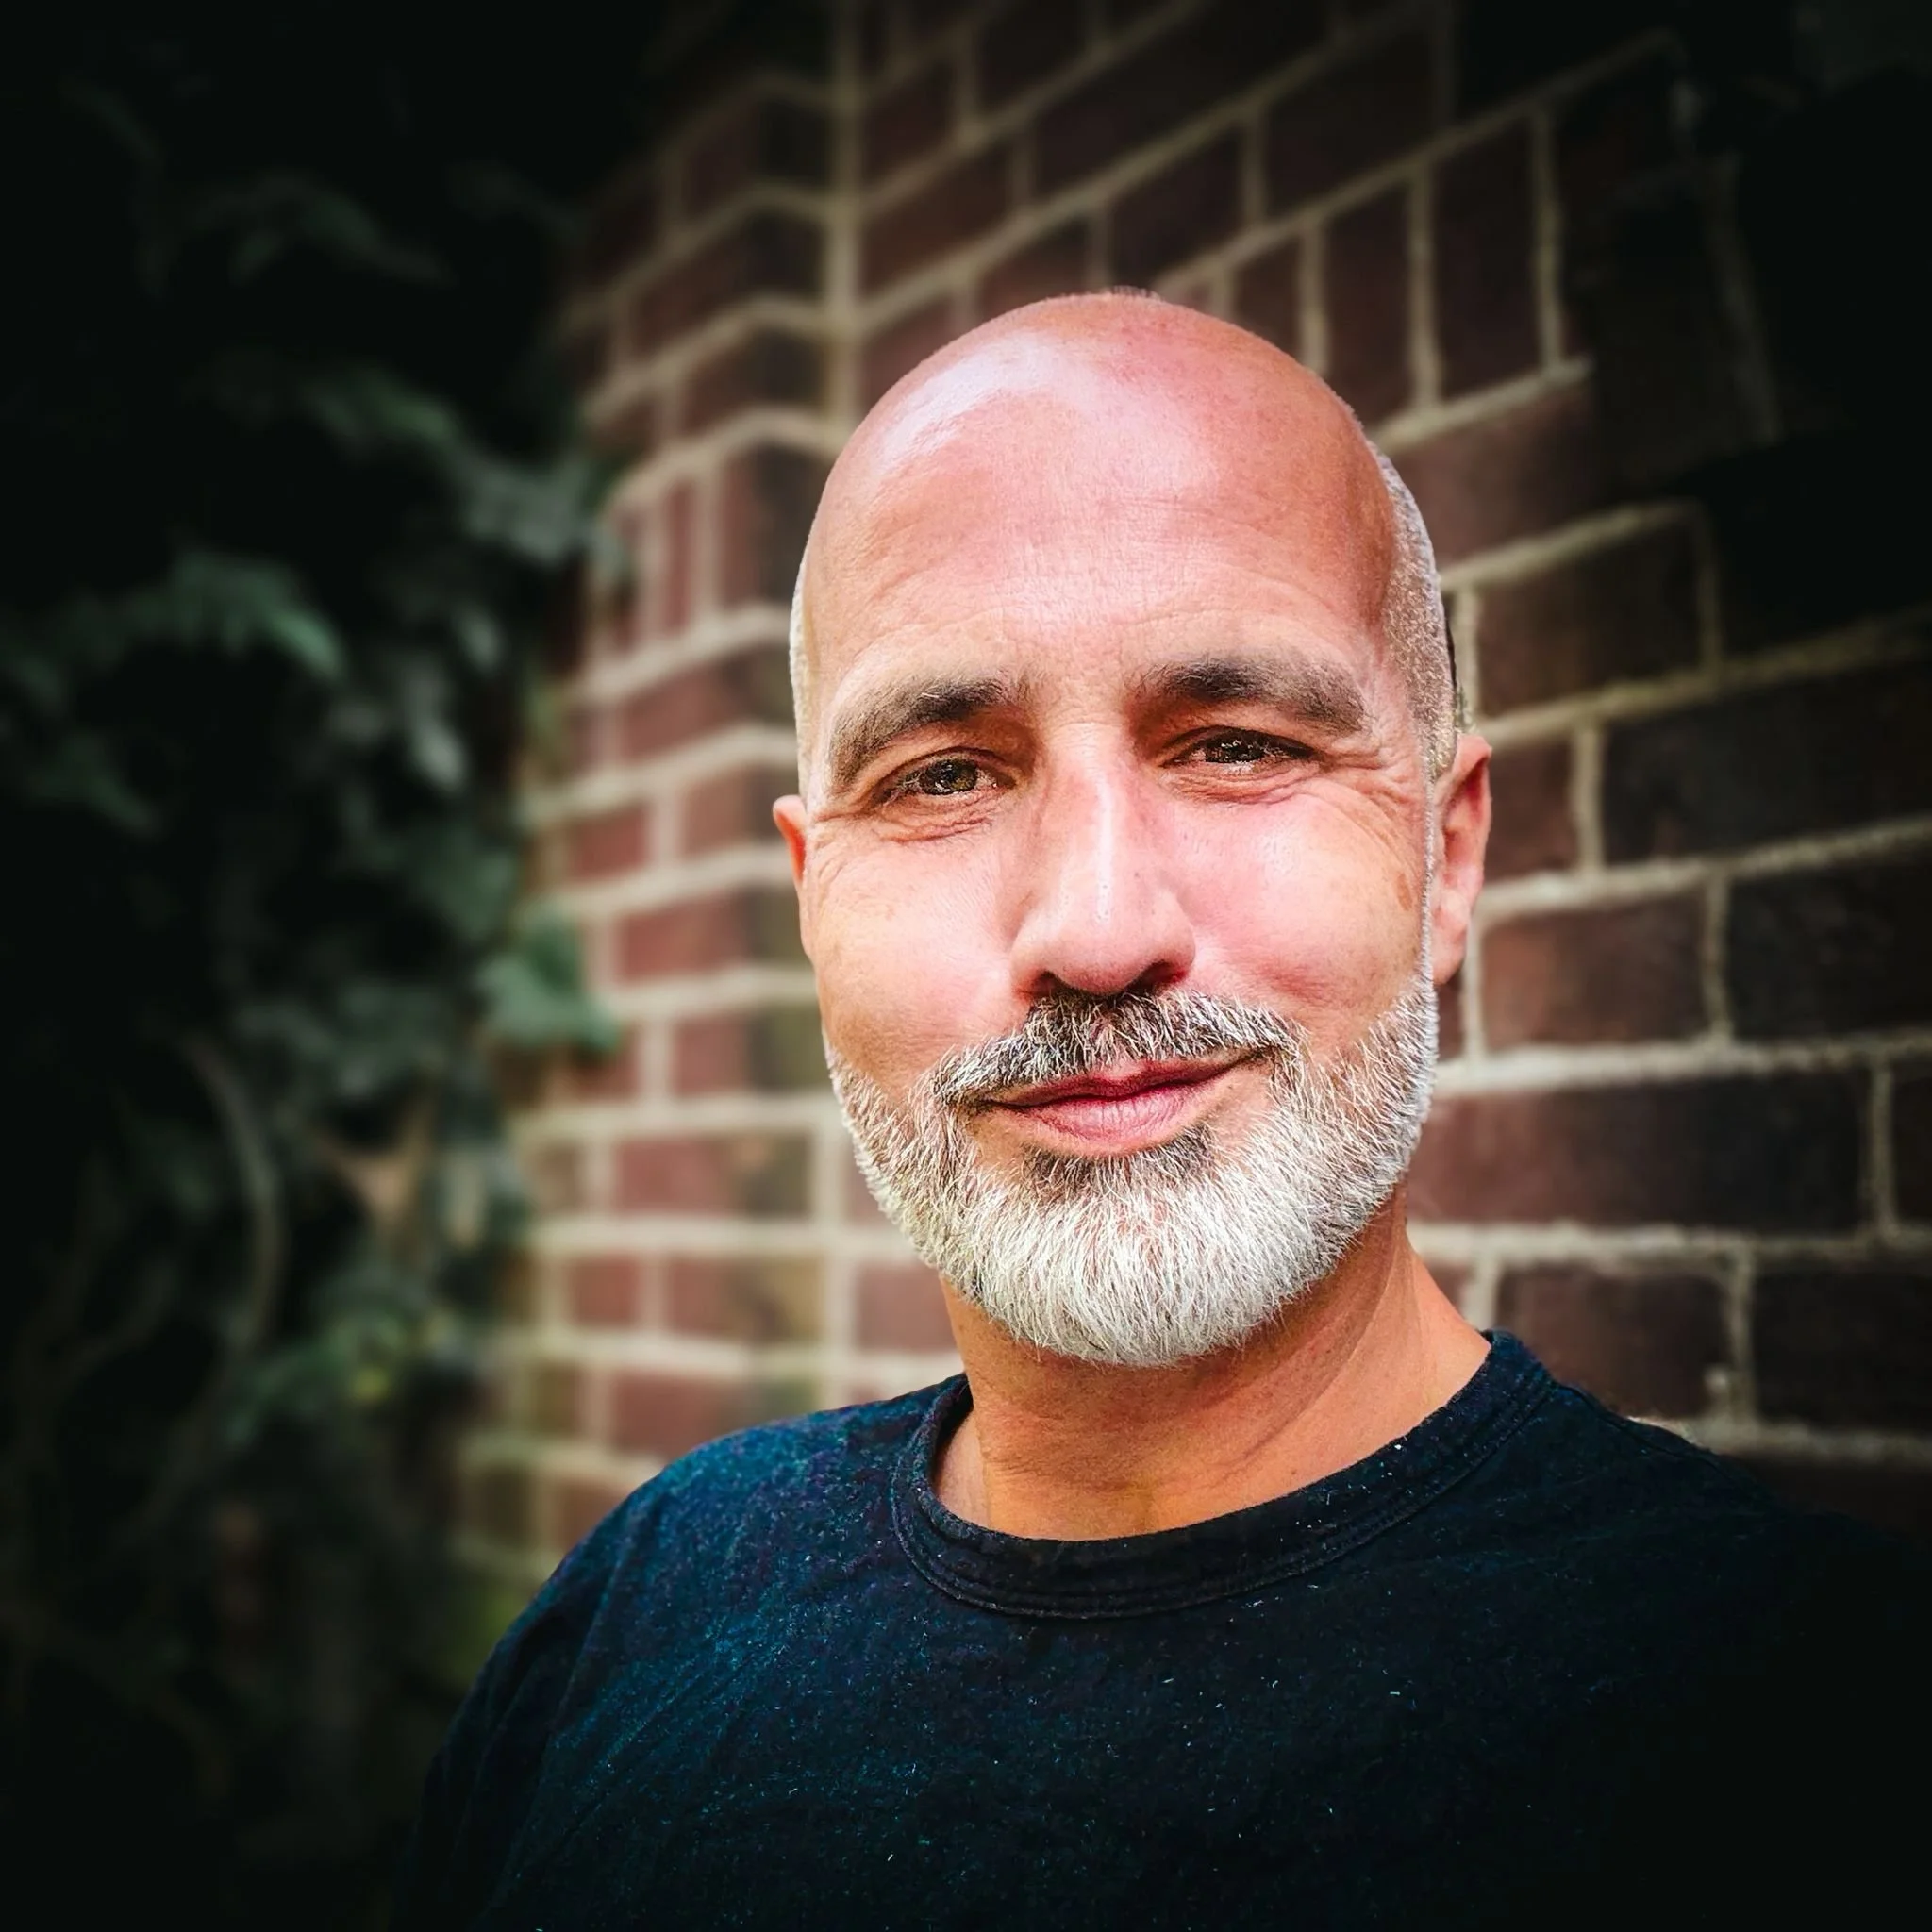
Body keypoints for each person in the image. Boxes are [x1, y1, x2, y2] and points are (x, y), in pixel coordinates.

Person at [394, 295, 1925, 1928]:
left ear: (1448, 857)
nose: (1097, 930)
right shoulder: (638, 1614)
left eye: (1235, 745)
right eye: (942, 777)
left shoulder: (1821, 1733)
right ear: (810, 893)